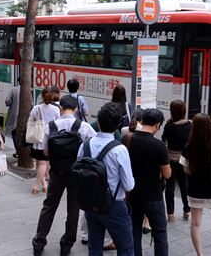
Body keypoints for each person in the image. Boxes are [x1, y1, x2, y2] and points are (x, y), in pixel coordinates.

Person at [32, 95, 96, 256]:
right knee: (73, 210)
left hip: (57, 174)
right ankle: (66, 244)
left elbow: (46, 152)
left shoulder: (51, 126)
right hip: (76, 174)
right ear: (75, 109)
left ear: (60, 108)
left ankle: (39, 241)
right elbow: (94, 146)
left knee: (49, 206)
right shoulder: (84, 127)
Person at [77, 102, 135, 256]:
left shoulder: (85, 145)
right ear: (117, 126)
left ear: (99, 123)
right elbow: (129, 185)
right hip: (114, 205)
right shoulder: (119, 149)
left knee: (94, 248)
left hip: (90, 202)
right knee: (126, 249)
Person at [179, 113, 211, 256]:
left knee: (195, 224)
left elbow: (185, 168)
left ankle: (200, 254)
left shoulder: (189, 147)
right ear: (209, 127)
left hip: (196, 190)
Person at [126, 108, 171, 256]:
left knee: (134, 232)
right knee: (160, 233)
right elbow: (167, 174)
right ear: (157, 125)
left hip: (132, 194)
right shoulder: (159, 146)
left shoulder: (128, 139)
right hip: (153, 196)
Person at [161, 100, 192, 222]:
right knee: (184, 185)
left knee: (170, 186)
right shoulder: (190, 125)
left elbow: (164, 140)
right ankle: (186, 211)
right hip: (184, 160)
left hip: (171, 159)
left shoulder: (169, 126)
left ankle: (170, 213)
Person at [29, 86, 60, 194]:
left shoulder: (36, 108)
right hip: (50, 139)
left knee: (39, 163)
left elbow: (30, 121)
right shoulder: (56, 109)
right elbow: (58, 124)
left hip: (37, 138)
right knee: (44, 163)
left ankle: (36, 186)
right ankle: (43, 184)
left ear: (42, 96)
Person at [4, 78, 20, 155]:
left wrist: (11, 103)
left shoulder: (14, 89)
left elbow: (7, 101)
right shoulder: (28, 91)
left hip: (14, 115)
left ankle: (17, 150)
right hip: (24, 117)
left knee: (14, 132)